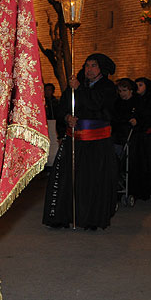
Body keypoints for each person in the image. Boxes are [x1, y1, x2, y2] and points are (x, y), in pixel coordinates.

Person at [43, 53, 118, 230]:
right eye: (87, 66)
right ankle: (63, 216)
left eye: (93, 66)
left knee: (91, 181)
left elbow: (96, 105)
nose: (89, 70)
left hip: (96, 143)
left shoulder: (107, 87)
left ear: (101, 69)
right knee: (67, 179)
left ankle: (91, 219)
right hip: (74, 140)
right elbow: (63, 108)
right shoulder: (75, 86)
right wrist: (67, 117)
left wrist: (80, 90)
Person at [130, 77, 151, 200]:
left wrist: (139, 121)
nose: (138, 87)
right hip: (137, 136)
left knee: (148, 164)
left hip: (148, 137)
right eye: (136, 84)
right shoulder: (134, 100)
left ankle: (147, 189)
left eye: (141, 85)